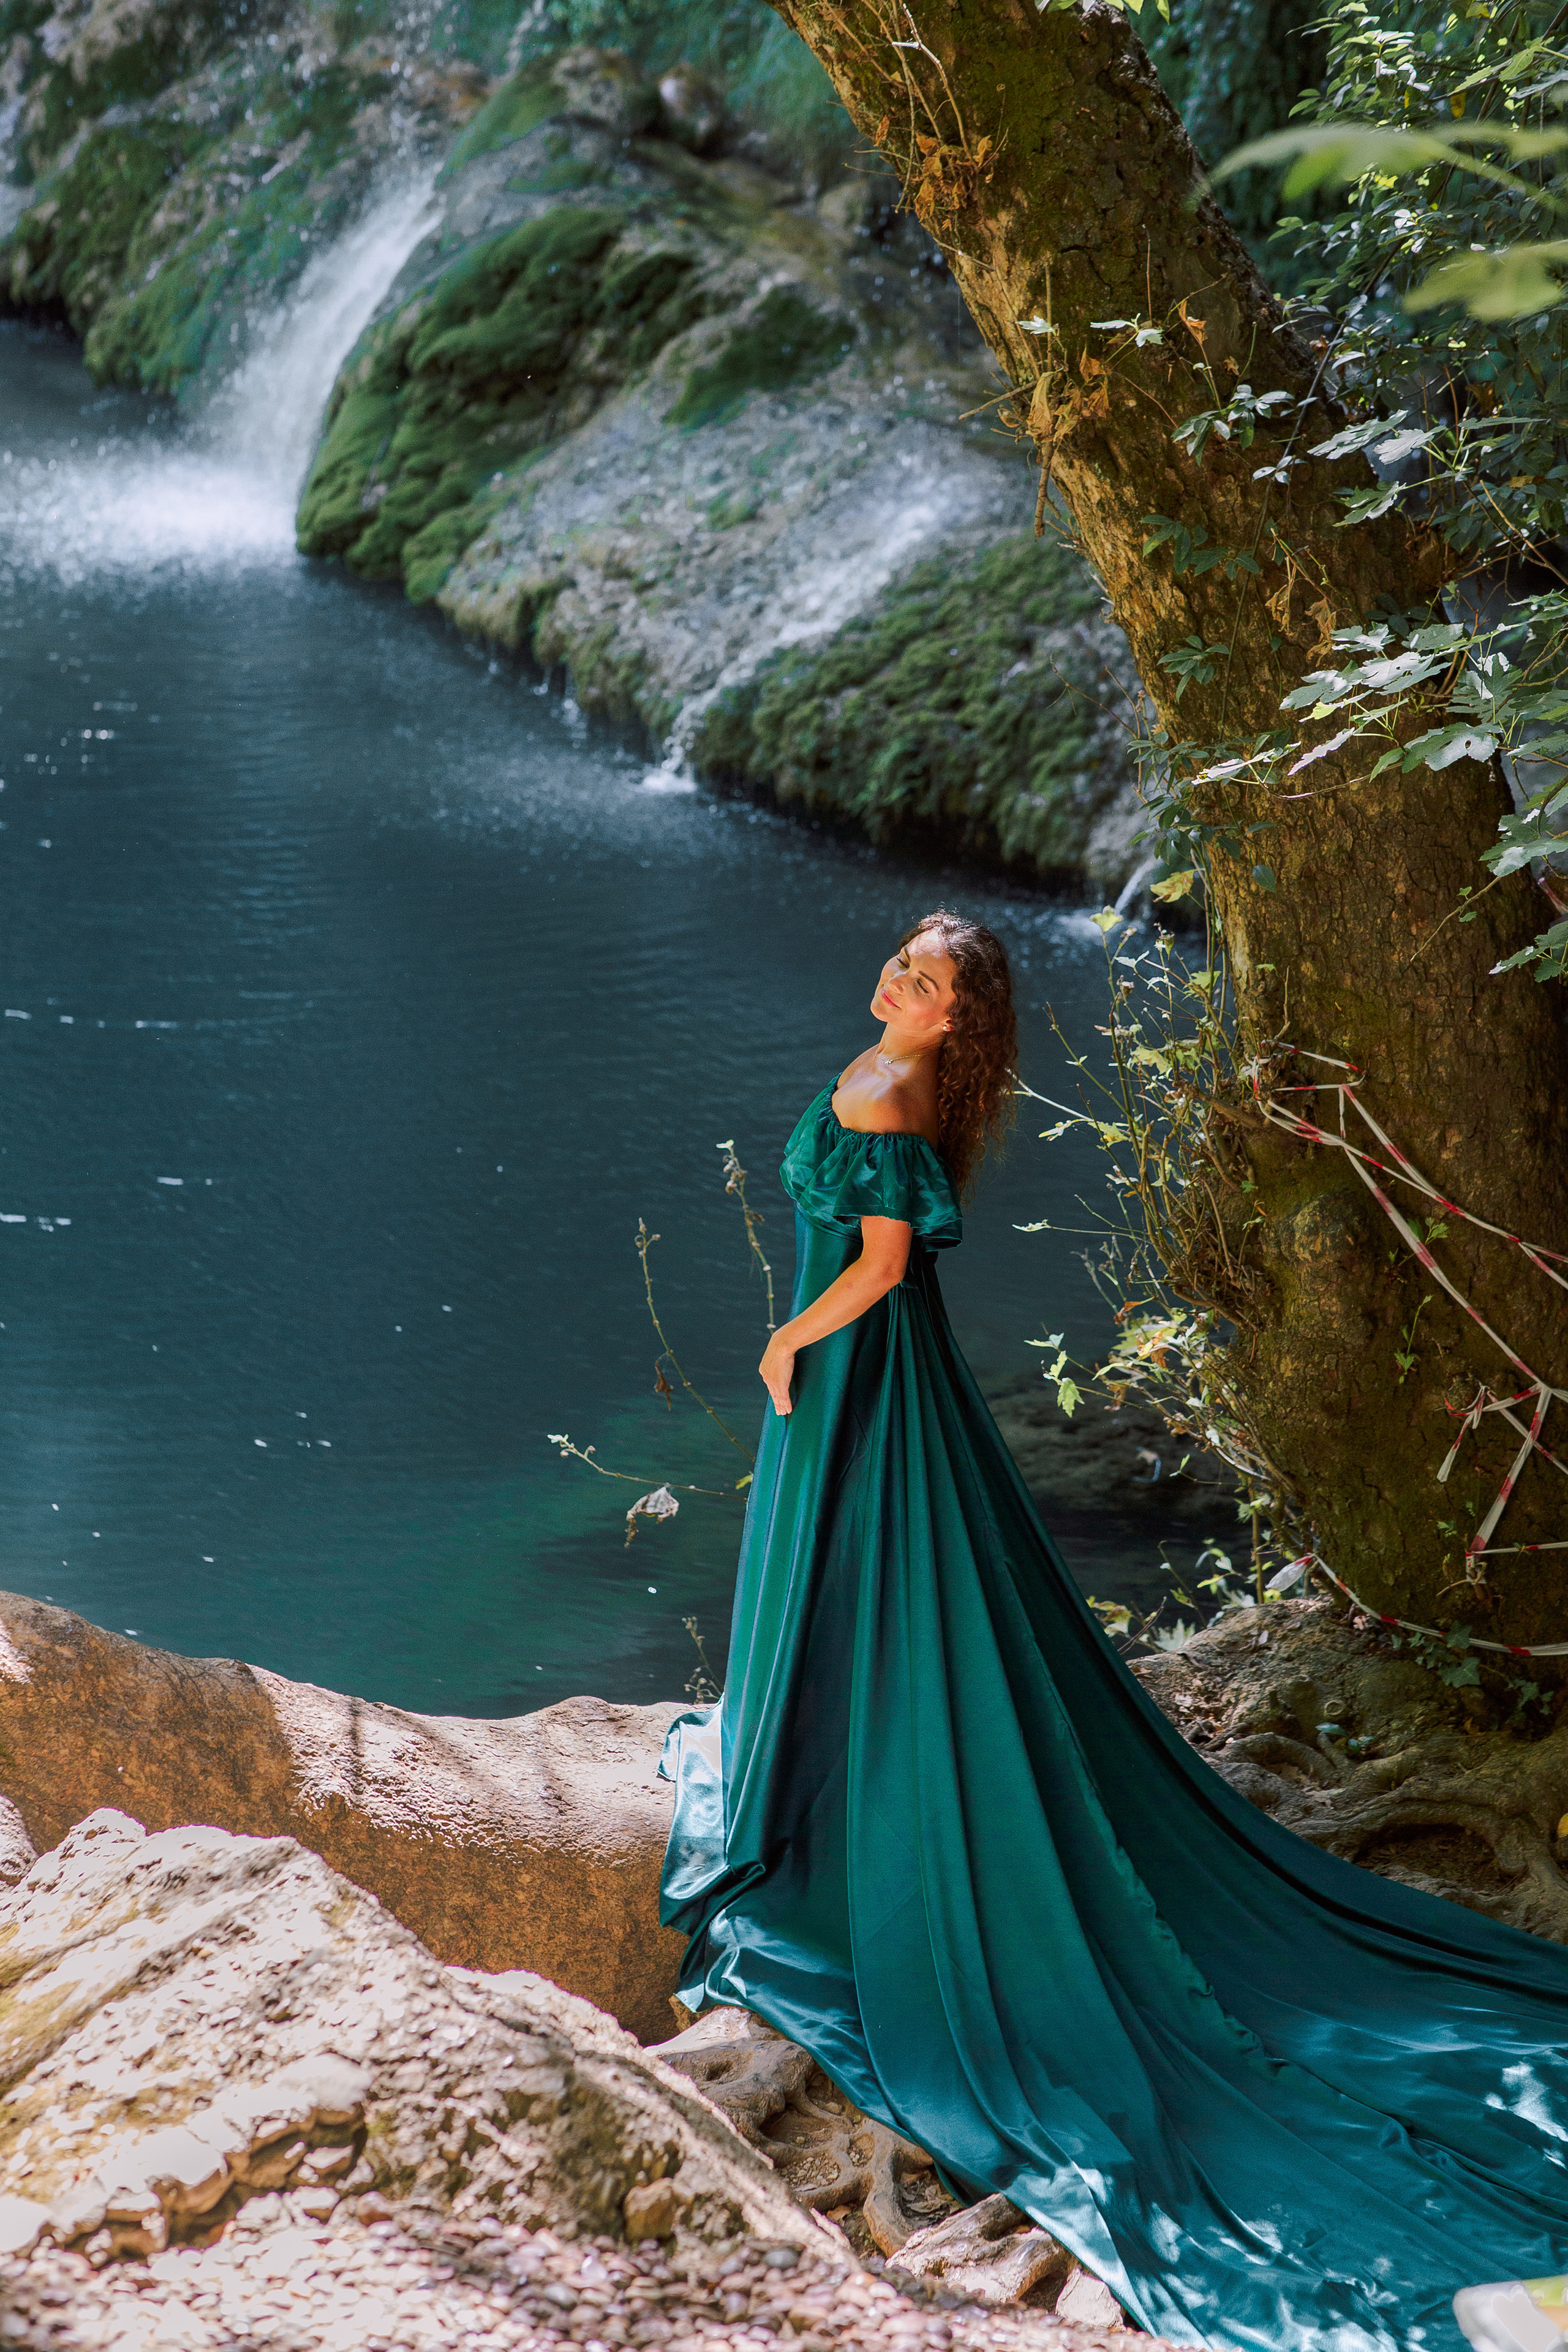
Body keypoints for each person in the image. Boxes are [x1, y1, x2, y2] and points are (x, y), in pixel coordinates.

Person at [660, 910, 1568, 2352]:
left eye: (929, 981)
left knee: (885, 1576)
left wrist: (783, 1342)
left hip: (853, 1361)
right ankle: (822, 1765)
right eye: (901, 961)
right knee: (873, 1578)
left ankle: (852, 1803)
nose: (897, 982)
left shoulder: (887, 1091)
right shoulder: (888, 1065)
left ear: (957, 1021)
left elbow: (885, 1267)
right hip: (859, 1371)